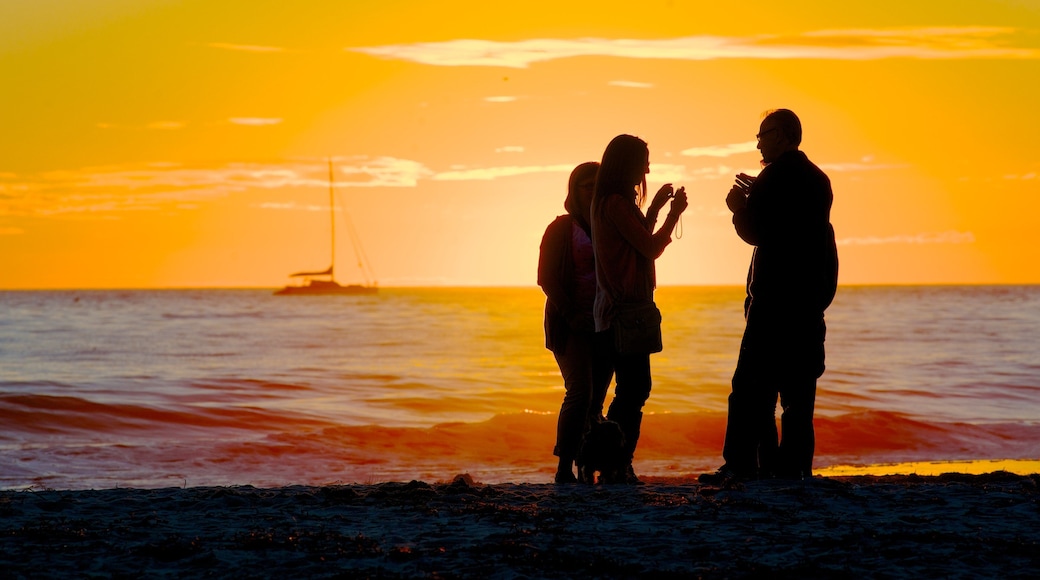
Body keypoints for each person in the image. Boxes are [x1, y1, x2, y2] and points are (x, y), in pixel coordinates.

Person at [702, 109, 838, 483]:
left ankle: (744, 465)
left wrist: (738, 207)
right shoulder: (818, 180)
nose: (758, 142)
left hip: (774, 302)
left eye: (762, 135)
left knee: (750, 390)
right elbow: (805, 232)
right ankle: (793, 468)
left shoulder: (774, 177)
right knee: (798, 395)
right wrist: (757, 194)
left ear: (781, 135)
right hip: (807, 303)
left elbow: (759, 232)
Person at [591, 134, 688, 484]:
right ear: (628, 164)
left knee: (629, 390)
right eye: (644, 160)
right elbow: (648, 247)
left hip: (616, 312)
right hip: (624, 313)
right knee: (633, 391)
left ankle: (614, 463)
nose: (648, 167)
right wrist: (673, 216)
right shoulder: (616, 203)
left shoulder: (610, 203)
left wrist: (655, 210)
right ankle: (617, 463)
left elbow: (633, 240)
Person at [538, 161, 614, 484]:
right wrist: (571, 314)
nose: (593, 192)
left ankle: (588, 466)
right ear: (574, 190)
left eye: (598, 186)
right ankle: (563, 468)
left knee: (596, 399)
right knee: (580, 391)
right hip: (569, 322)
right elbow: (546, 279)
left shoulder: (609, 225)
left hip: (605, 322)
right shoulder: (560, 228)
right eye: (587, 186)